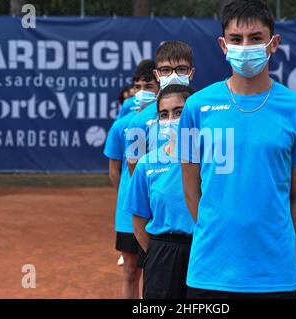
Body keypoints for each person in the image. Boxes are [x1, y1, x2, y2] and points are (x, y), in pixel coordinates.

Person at [178, 0, 296, 299]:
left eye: (256, 38)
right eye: (236, 39)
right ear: (223, 44)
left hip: (274, 276)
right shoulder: (195, 107)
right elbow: (191, 189)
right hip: (209, 273)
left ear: (273, 43)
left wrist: (274, 242)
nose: (246, 46)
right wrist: (216, 231)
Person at [124, 85, 196, 299]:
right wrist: (159, 254)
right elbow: (138, 223)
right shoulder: (147, 163)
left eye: (179, 112)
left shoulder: (213, 161)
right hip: (162, 254)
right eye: (164, 114)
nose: (171, 119)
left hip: (203, 252)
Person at [103, 59, 157, 298]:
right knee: (130, 271)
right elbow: (115, 172)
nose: (142, 91)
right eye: (138, 86)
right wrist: (130, 196)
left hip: (159, 209)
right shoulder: (122, 126)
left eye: (149, 85)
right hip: (129, 213)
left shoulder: (170, 122)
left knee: (156, 273)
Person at [125, 41, 195, 176]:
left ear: (190, 73)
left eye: (181, 69)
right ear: (157, 75)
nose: (173, 76)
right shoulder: (139, 121)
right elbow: (137, 173)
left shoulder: (204, 112)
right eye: (166, 70)